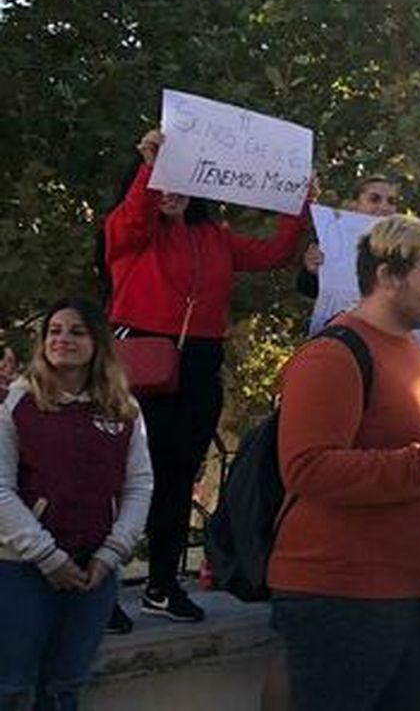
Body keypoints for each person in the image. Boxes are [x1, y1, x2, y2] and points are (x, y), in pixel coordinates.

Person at [269, 215, 420, 711]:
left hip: (409, 590)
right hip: (344, 596)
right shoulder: (333, 356)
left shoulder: (413, 352)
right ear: (387, 277)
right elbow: (307, 468)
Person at [104, 129, 308, 625]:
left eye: (180, 180)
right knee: (116, 479)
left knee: (176, 480)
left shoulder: (215, 238)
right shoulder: (131, 231)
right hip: (139, 367)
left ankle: (161, 583)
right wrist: (152, 169)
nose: (171, 190)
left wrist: (297, 201)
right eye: (161, 181)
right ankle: (100, 591)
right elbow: (133, 219)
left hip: (196, 371)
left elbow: (274, 252)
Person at [0, 299, 152, 711]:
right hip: (22, 567)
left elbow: (139, 485)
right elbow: (1, 490)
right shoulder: (18, 403)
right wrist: (47, 555)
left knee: (64, 686)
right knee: (11, 687)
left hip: (93, 569)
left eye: (76, 331)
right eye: (55, 330)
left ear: (97, 342)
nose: (62, 339)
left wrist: (112, 552)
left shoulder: (124, 409)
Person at [295, 174, 400, 299]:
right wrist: (312, 271)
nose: (385, 207)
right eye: (374, 199)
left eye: (391, 201)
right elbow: (309, 290)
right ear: (356, 204)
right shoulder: (333, 235)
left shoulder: (405, 246)